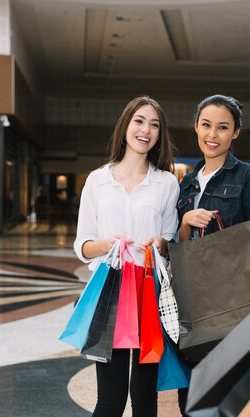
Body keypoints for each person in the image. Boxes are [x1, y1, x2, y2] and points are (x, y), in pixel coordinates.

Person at [175, 94, 250, 415]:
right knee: (194, 388)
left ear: (235, 132)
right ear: (196, 127)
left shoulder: (247, 175)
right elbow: (179, 246)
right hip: (195, 300)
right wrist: (185, 221)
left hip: (235, 297)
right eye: (206, 125)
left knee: (232, 388)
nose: (213, 135)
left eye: (222, 127)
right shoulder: (187, 183)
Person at [73, 96, 179, 417]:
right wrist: (106, 245)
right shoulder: (97, 181)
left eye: (154, 124)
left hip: (150, 292)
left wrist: (161, 243)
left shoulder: (166, 183)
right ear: (125, 126)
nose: (145, 130)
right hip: (111, 292)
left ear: (159, 135)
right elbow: (82, 245)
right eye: (139, 121)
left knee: (145, 400)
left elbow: (171, 241)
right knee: (110, 400)